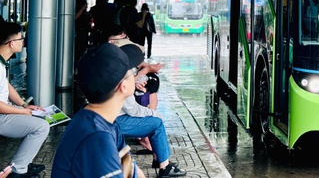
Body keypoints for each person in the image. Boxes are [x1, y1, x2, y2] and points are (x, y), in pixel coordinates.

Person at [51, 43, 146, 178]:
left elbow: (130, 169)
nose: (135, 75)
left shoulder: (105, 122)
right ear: (123, 86)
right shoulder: (97, 137)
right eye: (133, 72)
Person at [116, 44, 187, 177]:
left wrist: (134, 87)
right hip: (117, 121)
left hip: (110, 118)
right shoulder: (124, 76)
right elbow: (133, 109)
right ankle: (164, 167)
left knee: (153, 121)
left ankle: (158, 159)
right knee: (156, 123)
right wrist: (154, 113)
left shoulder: (115, 71)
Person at [0, 22, 49, 178]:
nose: (23, 41)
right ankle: (18, 169)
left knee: (40, 118)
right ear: (11, 43)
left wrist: (24, 105)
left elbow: (6, 86)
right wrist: (22, 111)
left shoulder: (2, 62)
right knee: (41, 127)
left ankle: (23, 163)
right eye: (21, 38)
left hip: (4, 112)